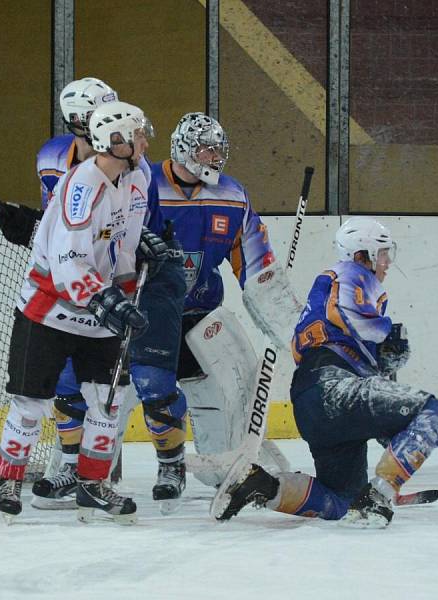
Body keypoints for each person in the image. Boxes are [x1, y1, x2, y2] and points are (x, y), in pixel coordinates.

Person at [212, 217, 438, 528]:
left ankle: (264, 486)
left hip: (312, 402)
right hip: (333, 388)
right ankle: (378, 497)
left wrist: (387, 358)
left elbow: (365, 369)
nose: (387, 262)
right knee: (435, 412)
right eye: (382, 253)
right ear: (361, 254)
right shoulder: (351, 272)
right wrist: (386, 332)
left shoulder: (342, 289)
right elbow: (345, 314)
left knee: (342, 500)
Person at [0, 78, 167, 510]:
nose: (146, 140)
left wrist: (140, 250)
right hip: (51, 307)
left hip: (100, 308)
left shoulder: (138, 177)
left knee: (107, 402)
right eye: (139, 134)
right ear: (117, 142)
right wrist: (105, 299)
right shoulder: (80, 186)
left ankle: (93, 483)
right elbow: (68, 259)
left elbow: (118, 237)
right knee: (31, 403)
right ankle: (9, 482)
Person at [128, 112, 301, 513]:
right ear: (184, 149)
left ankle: (201, 467)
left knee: (217, 400)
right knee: (116, 396)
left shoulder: (232, 195)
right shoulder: (141, 183)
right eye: (207, 149)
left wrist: (286, 325)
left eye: (219, 150)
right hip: (142, 311)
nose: (215, 158)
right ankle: (84, 469)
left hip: (200, 313)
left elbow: (257, 269)